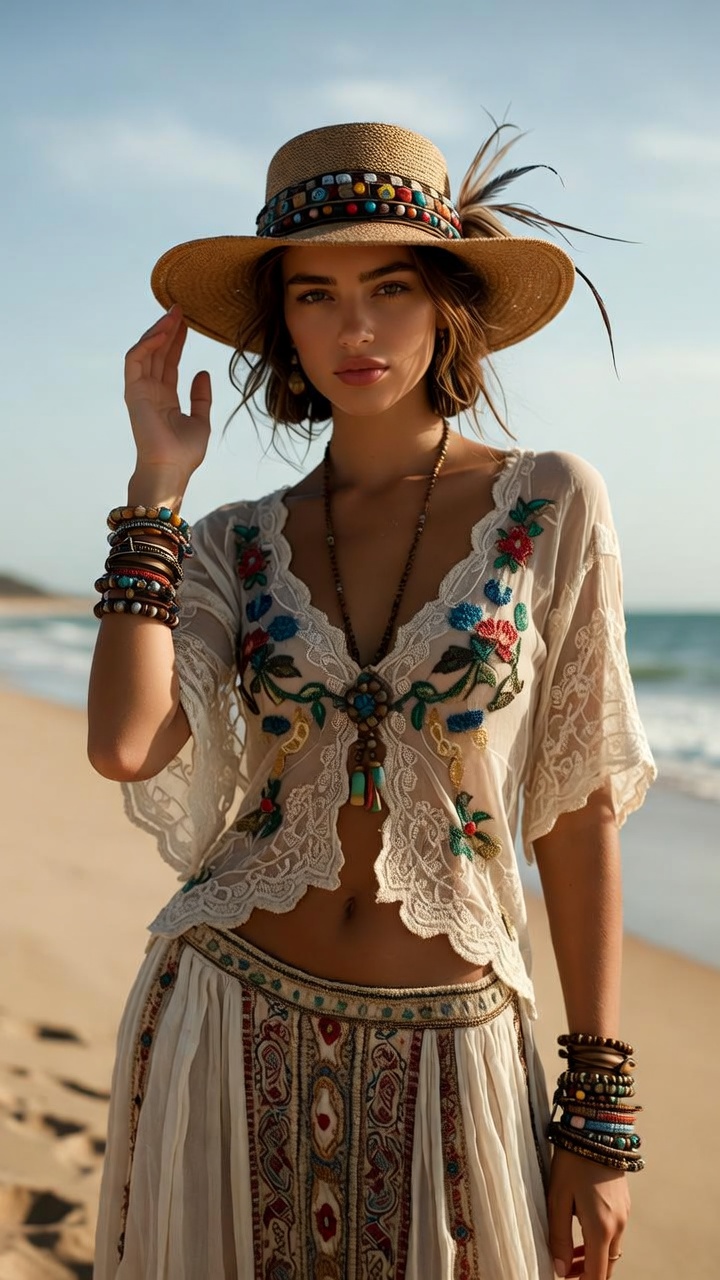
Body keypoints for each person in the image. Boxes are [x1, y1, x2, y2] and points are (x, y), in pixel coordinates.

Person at [88, 120, 656, 1280]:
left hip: (454, 1051)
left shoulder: (549, 502)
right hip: (221, 1017)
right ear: (282, 324)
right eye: (316, 293)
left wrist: (597, 1116)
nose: (354, 328)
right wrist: (154, 489)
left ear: (447, 300)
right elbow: (126, 741)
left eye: (389, 285)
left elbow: (579, 807)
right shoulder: (232, 539)